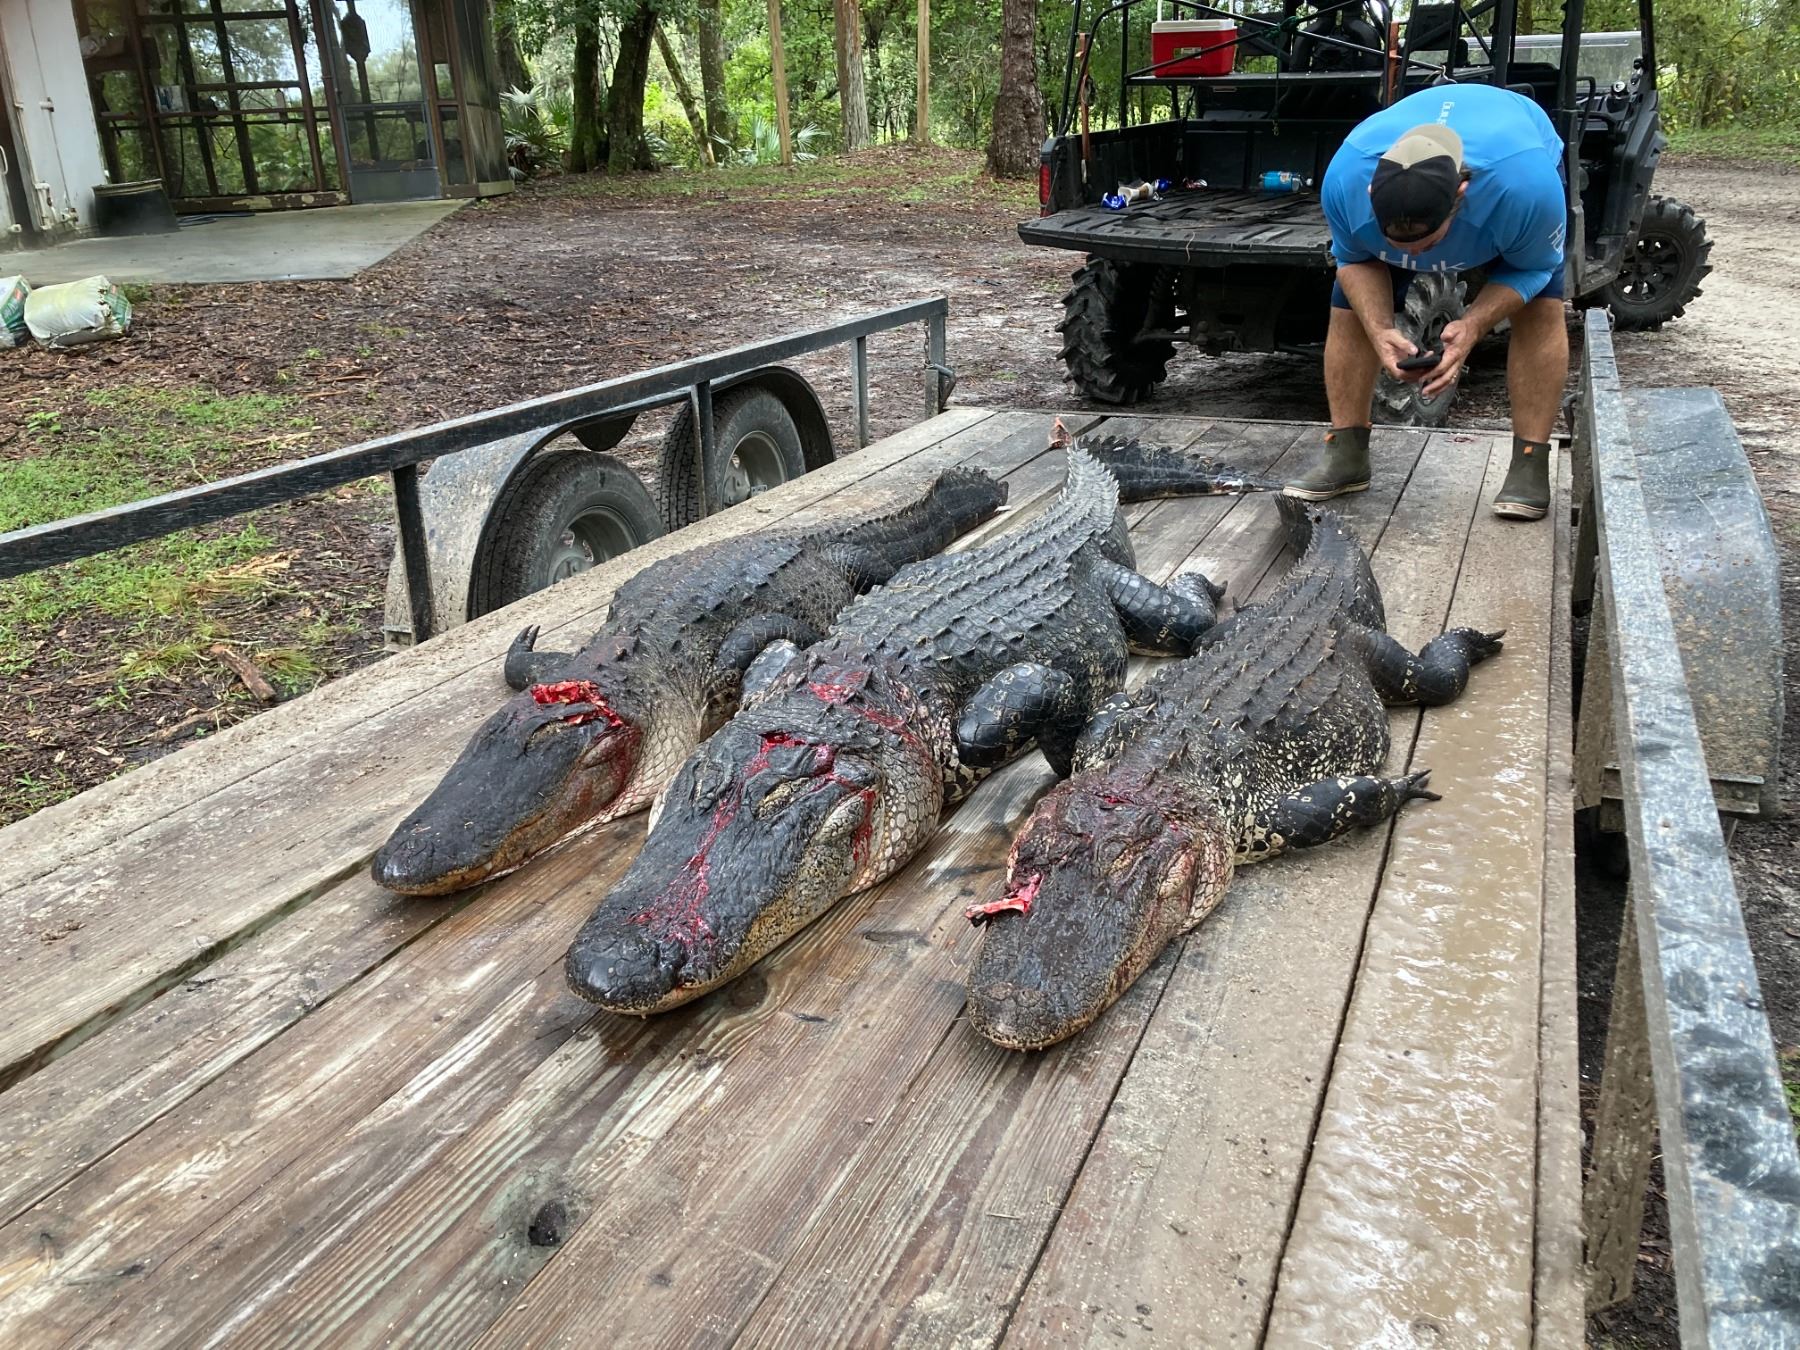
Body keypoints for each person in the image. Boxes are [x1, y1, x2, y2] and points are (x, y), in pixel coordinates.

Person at [1284, 83, 1569, 521]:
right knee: (1349, 308)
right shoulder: (1345, 179)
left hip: (1512, 149)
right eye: (1398, 245)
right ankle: (1346, 454)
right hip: (1395, 166)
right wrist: (1380, 330)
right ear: (1370, 194)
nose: (1415, 256)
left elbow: (1533, 270)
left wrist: (1473, 325)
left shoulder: (1525, 188)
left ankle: (1529, 464)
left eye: (1427, 243)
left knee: (1540, 307)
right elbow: (1355, 261)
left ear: (1461, 194)